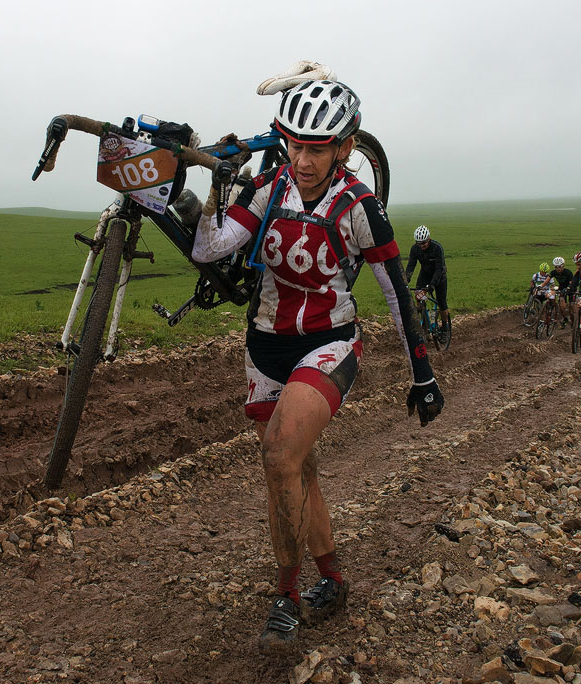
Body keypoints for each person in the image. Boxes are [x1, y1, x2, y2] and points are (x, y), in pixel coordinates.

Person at [190, 79, 444, 655]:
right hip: (263, 346)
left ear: (345, 147)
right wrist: (209, 190)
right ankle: (331, 578)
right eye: (294, 145)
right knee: (294, 470)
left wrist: (422, 374)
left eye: (317, 148)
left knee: (279, 454)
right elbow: (210, 248)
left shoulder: (361, 208)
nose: (303, 160)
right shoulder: (269, 186)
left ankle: (287, 597)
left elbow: (399, 297)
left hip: (328, 345)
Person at [405, 225, 449, 332]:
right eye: (419, 243)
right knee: (418, 294)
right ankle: (422, 316)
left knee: (441, 301)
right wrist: (405, 280)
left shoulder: (437, 248)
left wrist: (432, 285)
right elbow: (411, 265)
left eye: (424, 243)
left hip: (439, 275)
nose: (422, 246)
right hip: (425, 273)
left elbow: (439, 269)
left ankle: (445, 327)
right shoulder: (415, 249)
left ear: (428, 239)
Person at [548, 257, 573, 327]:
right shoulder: (553, 272)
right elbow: (547, 280)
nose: (558, 269)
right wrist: (541, 285)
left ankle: (573, 321)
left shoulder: (568, 272)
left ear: (563, 266)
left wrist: (568, 288)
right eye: (556, 267)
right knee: (562, 306)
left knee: (571, 309)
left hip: (570, 289)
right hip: (562, 289)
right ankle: (565, 319)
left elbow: (571, 283)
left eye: (559, 267)